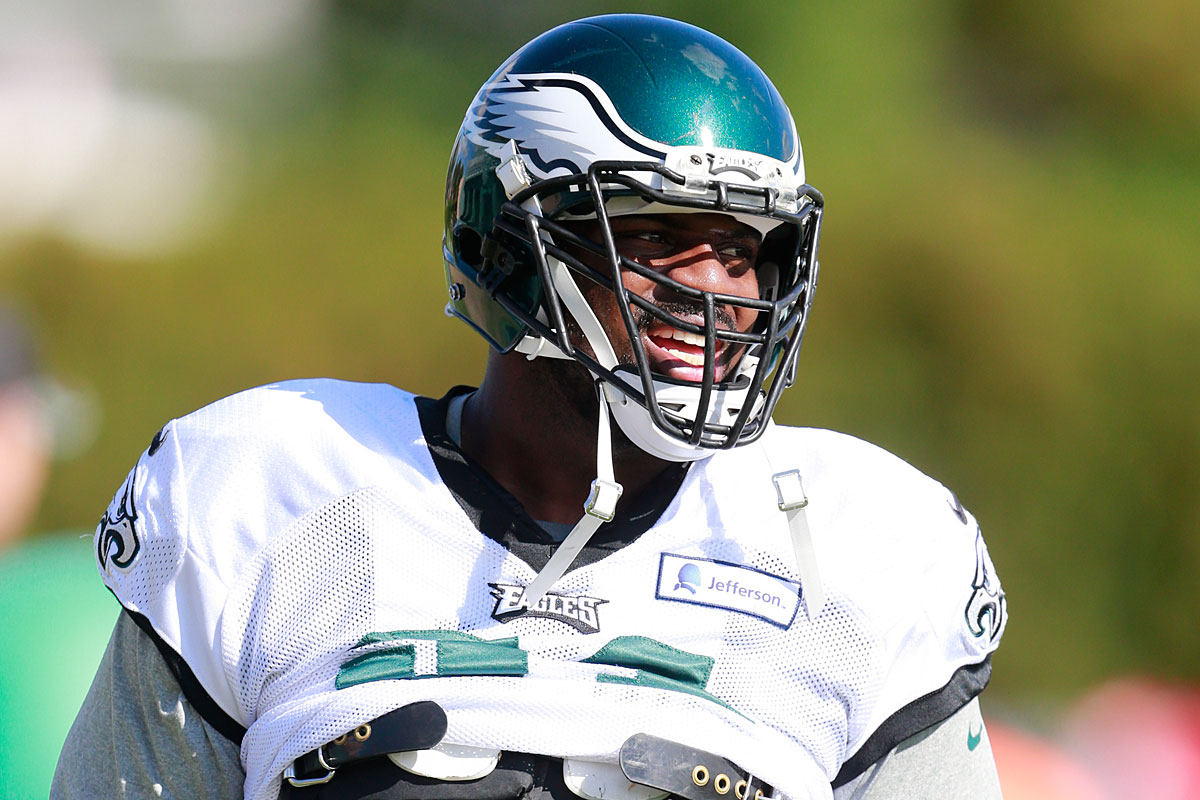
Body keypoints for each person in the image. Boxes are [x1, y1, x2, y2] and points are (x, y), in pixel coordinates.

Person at [53, 14, 1007, 800]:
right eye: (656, 238)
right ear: (509, 243)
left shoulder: (861, 548)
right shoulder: (272, 492)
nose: (715, 291)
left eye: (741, 250)